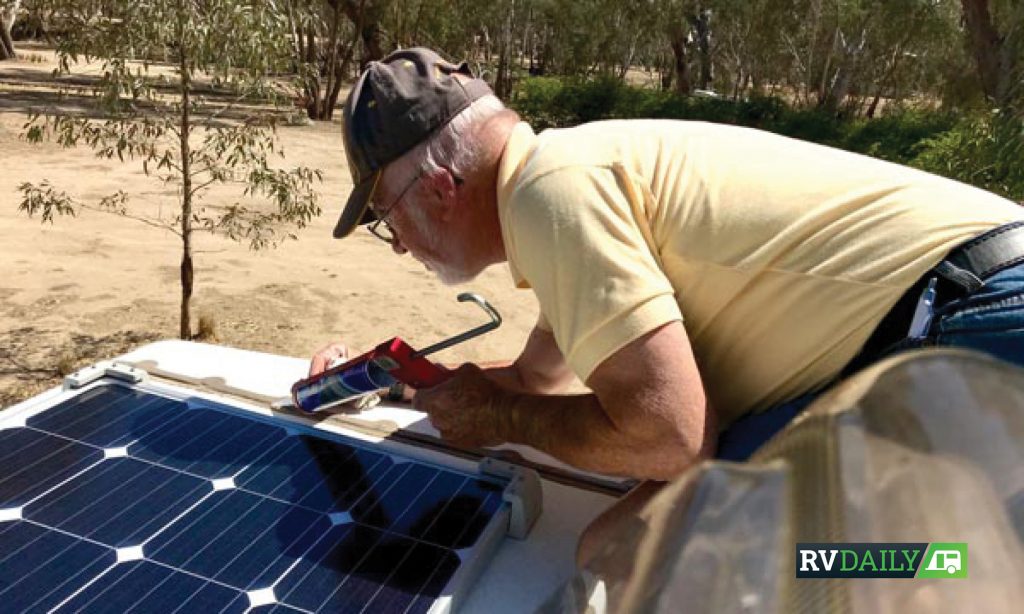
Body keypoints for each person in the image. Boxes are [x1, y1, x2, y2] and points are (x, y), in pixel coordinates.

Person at [311, 47, 1024, 560]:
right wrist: (399, 386)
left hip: (971, 324)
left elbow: (670, 439)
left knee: (625, 557)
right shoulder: (559, 173)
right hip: (954, 312)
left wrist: (497, 417)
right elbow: (536, 380)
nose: (398, 245)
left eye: (384, 216)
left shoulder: (551, 196)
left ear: (440, 187)